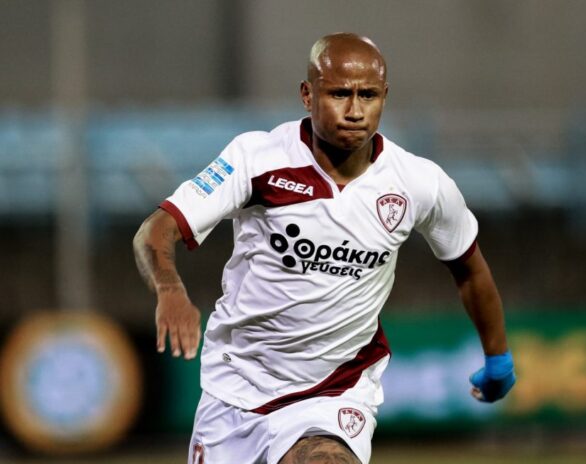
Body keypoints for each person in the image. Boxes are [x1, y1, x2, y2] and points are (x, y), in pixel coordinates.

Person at [133, 32, 515, 464]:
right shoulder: (256, 159)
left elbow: (469, 269)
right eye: (339, 94)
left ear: (384, 97)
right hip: (235, 389)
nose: (354, 111)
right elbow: (155, 230)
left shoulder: (420, 183)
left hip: (335, 392)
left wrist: (498, 357)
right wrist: (169, 289)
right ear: (307, 95)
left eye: (368, 95)